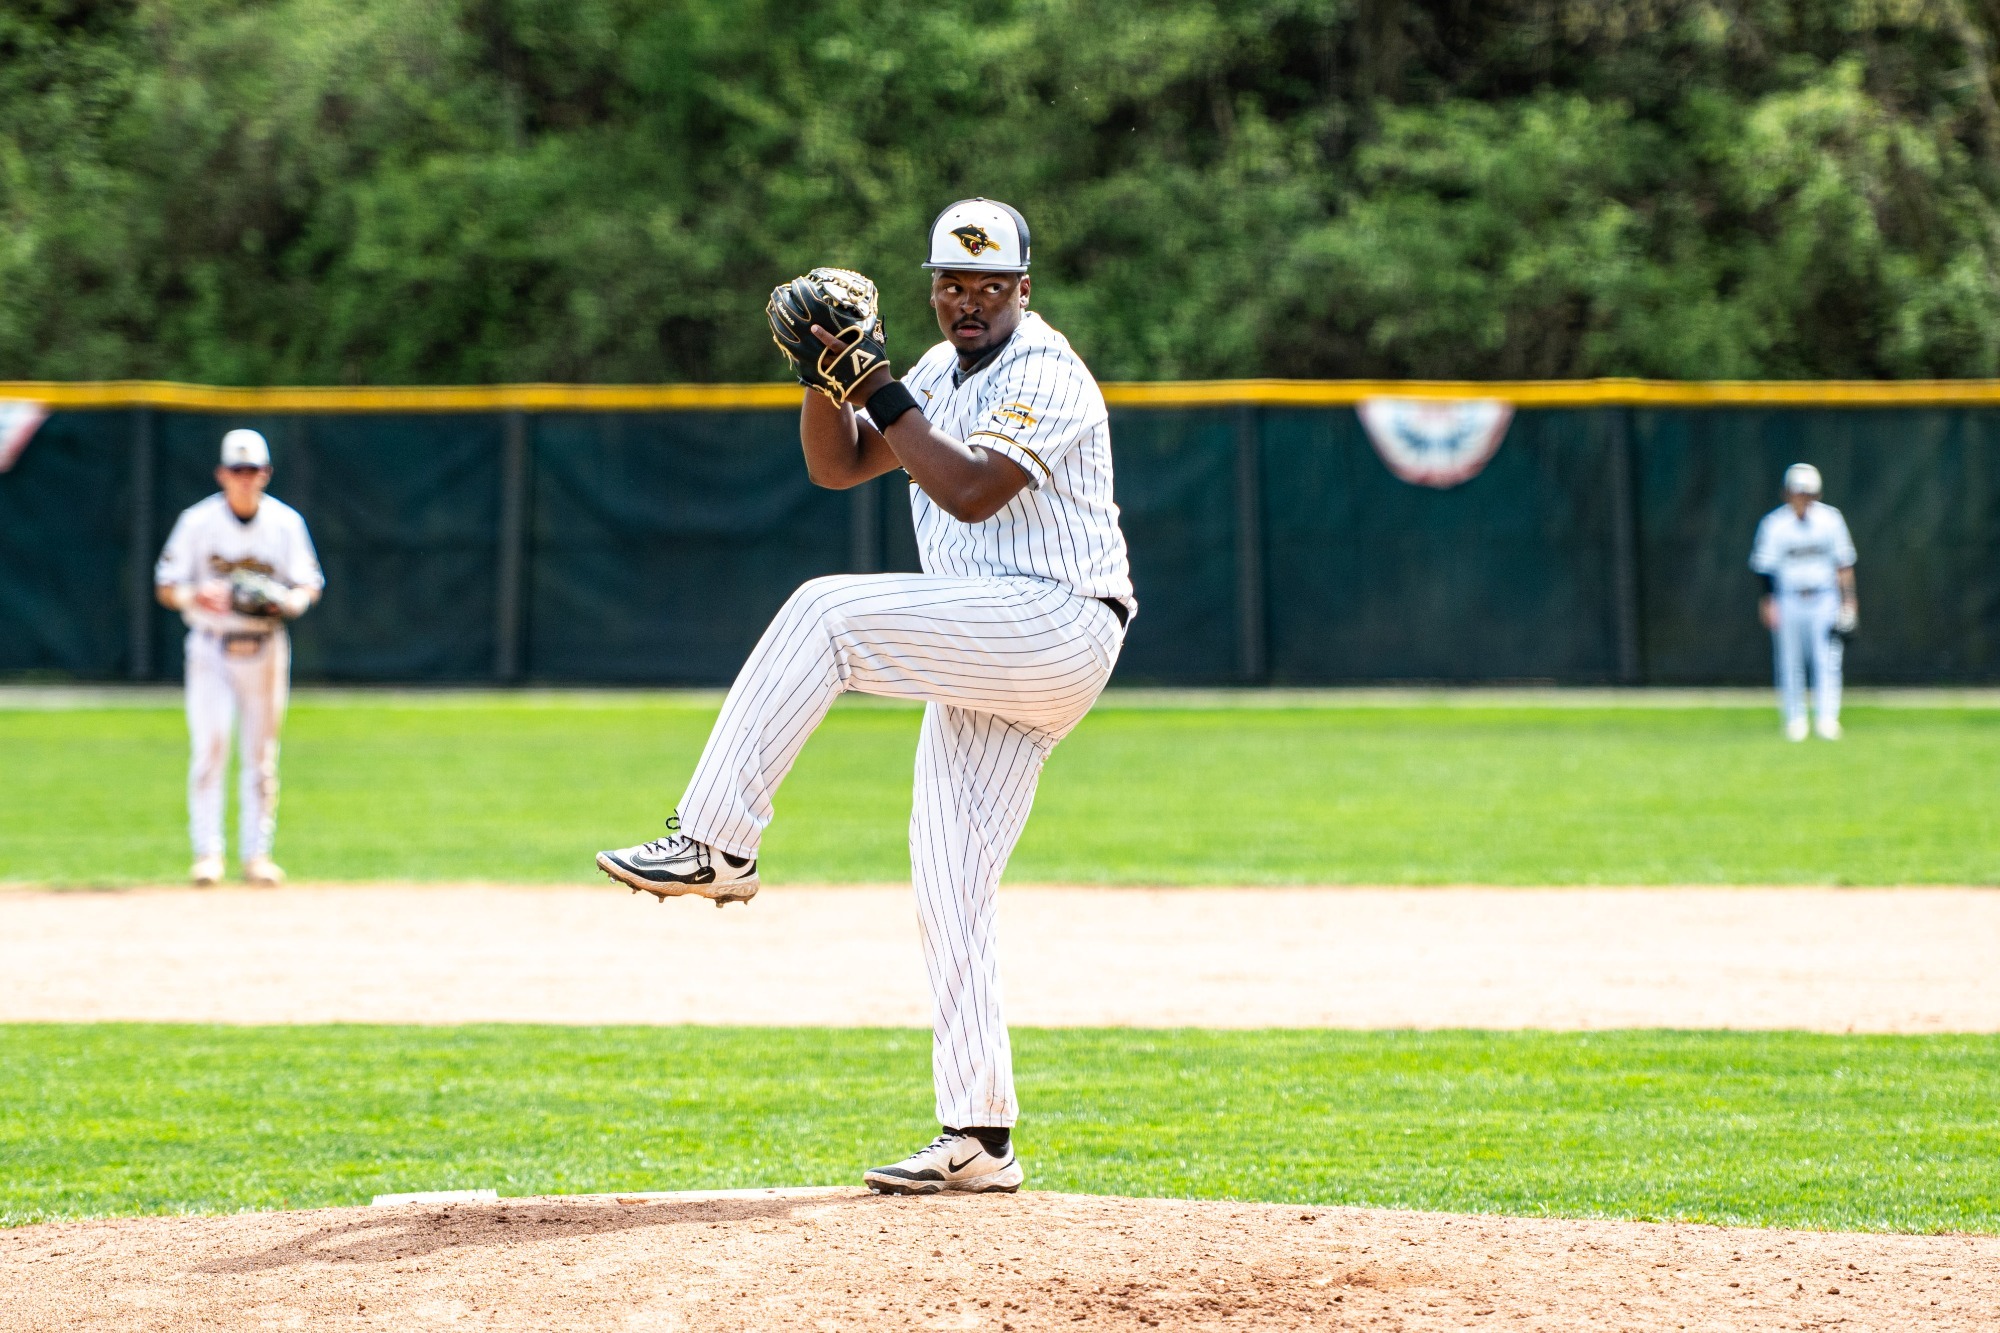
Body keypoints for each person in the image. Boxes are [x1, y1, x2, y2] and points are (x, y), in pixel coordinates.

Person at [596, 198, 1132, 1195]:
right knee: (949, 882)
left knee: (825, 614)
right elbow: (837, 463)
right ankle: (979, 1136)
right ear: (930, 286)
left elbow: (969, 489)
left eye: (986, 285)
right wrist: (820, 376)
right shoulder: (934, 371)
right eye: (949, 283)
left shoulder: (1045, 373)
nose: (965, 302)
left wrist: (875, 382)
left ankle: (715, 839)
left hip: (1058, 621)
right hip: (990, 640)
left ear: (1023, 288)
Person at [154, 429, 323, 885]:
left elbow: (308, 583)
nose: (245, 478)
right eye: (237, 470)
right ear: (221, 474)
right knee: (209, 747)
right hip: (210, 646)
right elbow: (167, 586)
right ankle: (208, 854)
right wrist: (195, 593)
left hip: (265, 647)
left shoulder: (285, 523)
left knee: (260, 754)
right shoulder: (197, 522)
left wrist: (292, 602)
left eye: (253, 470)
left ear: (265, 474)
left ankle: (256, 856)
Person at [1750, 463, 1857, 741]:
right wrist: (1769, 602)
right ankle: (1795, 720)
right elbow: (1765, 568)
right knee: (1790, 661)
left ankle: (1826, 719)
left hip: (1823, 597)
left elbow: (1843, 563)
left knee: (1827, 660)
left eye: (1808, 492)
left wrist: (1849, 602)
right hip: (1789, 598)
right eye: (1798, 491)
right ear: (1788, 493)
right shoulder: (1774, 524)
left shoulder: (1831, 520)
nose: (1803, 497)